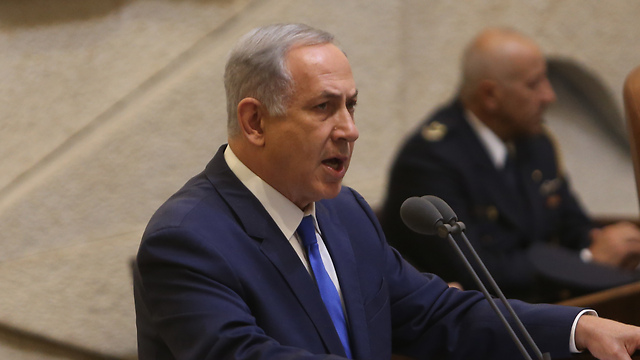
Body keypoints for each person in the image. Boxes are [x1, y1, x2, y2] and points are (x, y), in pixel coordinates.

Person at [133, 23, 640, 360]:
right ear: (255, 121)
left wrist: (579, 328)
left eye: (352, 106)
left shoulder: (344, 213)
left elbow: (435, 312)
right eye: (324, 108)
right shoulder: (188, 240)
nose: (349, 129)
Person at [380, 27, 640, 302]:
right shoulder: (429, 161)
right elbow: (478, 273)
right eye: (534, 84)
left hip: (544, 308)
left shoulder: (535, 144)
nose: (549, 96)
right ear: (490, 95)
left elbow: (571, 224)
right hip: (477, 325)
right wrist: (587, 261)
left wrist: (614, 245)